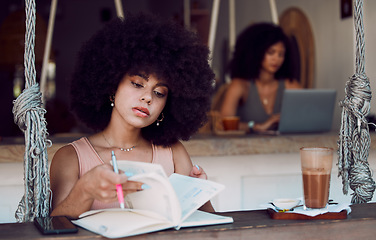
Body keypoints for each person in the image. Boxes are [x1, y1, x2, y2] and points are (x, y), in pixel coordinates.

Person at [49, 13, 215, 219]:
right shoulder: (71, 157)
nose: (147, 98)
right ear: (111, 84)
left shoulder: (173, 153)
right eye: (137, 84)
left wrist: (201, 194)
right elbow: (55, 226)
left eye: (159, 92)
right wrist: (85, 190)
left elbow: (208, 225)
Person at [220, 22, 301, 133]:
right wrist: (257, 126)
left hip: (283, 148)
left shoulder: (290, 85)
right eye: (271, 52)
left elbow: (308, 117)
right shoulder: (240, 85)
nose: (276, 59)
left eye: (281, 54)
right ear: (257, 52)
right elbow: (224, 124)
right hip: (244, 148)